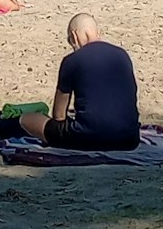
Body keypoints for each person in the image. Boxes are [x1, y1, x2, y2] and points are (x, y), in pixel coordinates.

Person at [17, 14, 141, 151]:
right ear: (98, 33)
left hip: (88, 138)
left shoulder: (72, 60)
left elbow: (59, 115)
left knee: (27, 119)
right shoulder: (122, 55)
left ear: (73, 36)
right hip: (129, 140)